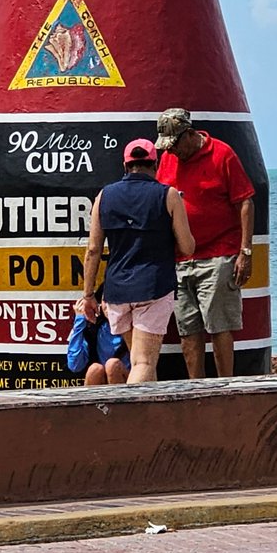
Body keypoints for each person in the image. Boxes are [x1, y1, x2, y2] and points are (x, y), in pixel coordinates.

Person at [78, 139, 194, 384]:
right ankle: (132, 417)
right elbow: (187, 246)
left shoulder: (104, 196)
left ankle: (148, 420)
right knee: (144, 362)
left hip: (117, 290)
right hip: (153, 286)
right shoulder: (168, 195)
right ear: (155, 163)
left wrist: (88, 295)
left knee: (138, 357)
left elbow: (92, 250)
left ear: (125, 165)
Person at [155, 108, 255, 378]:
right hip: (179, 259)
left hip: (218, 254)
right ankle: (195, 388)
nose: (172, 152)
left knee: (219, 326)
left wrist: (245, 251)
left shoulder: (222, 154)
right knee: (187, 329)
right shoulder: (167, 159)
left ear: (189, 134)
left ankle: (225, 387)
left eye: (175, 145)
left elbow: (245, 201)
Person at [66, 289, 129, 386]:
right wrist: (79, 320)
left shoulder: (133, 325)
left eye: (116, 302)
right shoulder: (94, 327)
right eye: (107, 301)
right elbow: (75, 365)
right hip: (101, 382)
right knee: (95, 369)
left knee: (112, 365)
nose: (110, 306)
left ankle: (120, 401)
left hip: (129, 382)